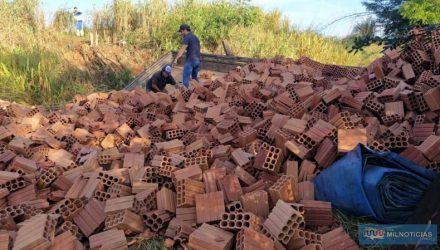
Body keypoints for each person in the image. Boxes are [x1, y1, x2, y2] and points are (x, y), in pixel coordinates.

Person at [172, 24, 201, 89]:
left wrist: (176, 59)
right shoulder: (195, 37)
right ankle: (201, 91)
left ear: (184, 30)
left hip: (191, 60)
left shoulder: (187, 37)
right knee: (194, 78)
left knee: (185, 78)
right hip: (197, 60)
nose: (181, 33)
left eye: (181, 31)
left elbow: (182, 49)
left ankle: (185, 93)